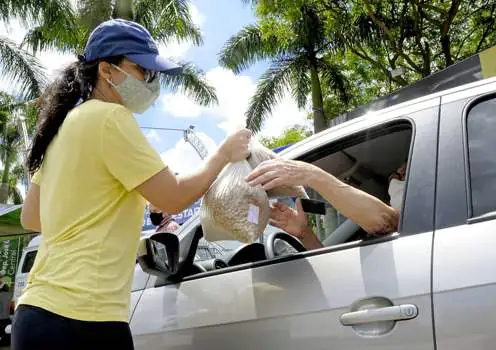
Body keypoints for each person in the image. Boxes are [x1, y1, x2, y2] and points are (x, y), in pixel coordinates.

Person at [15, 19, 251, 350]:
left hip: (35, 316)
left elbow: (32, 218)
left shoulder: (65, 127)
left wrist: (113, 203)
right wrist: (225, 153)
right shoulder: (110, 118)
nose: (151, 81)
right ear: (107, 71)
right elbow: (175, 197)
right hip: (84, 318)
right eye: (142, 70)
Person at [246, 159, 399, 250]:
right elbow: (332, 276)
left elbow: (386, 222)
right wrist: (304, 233)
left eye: (401, 176)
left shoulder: (411, 224)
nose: (398, 177)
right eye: (395, 175)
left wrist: (312, 175)